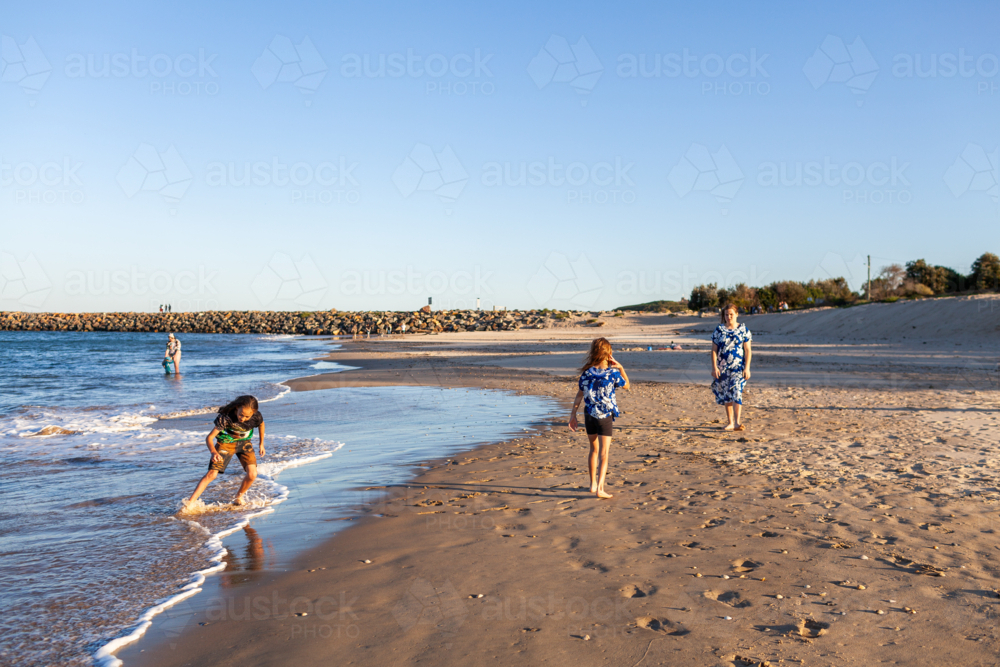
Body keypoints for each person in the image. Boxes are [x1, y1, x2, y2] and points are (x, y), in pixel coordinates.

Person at [568, 337, 630, 499]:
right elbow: (627, 385)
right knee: (604, 453)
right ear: (609, 354)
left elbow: (579, 395)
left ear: (594, 353)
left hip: (589, 415)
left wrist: (573, 415)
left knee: (593, 450)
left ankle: (592, 484)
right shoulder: (613, 373)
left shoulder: (587, 373)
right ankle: (600, 488)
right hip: (605, 417)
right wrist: (621, 367)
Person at [186, 395, 266, 506]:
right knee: (212, 474)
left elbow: (261, 424)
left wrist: (261, 443)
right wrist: (213, 452)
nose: (242, 418)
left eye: (247, 417)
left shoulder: (256, 416)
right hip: (225, 444)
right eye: (241, 415)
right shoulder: (226, 417)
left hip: (245, 443)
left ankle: (238, 497)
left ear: (253, 412)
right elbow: (209, 437)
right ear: (237, 408)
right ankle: (189, 503)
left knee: (252, 474)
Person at [711, 303, 753, 431]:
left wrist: (747, 368)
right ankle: (730, 422)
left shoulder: (744, 330)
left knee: (737, 392)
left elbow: (748, 350)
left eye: (731, 314)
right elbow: (713, 350)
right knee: (726, 394)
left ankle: (737, 422)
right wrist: (714, 367)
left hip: (738, 368)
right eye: (726, 315)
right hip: (722, 367)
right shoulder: (719, 330)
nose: (729, 317)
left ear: (736, 314)